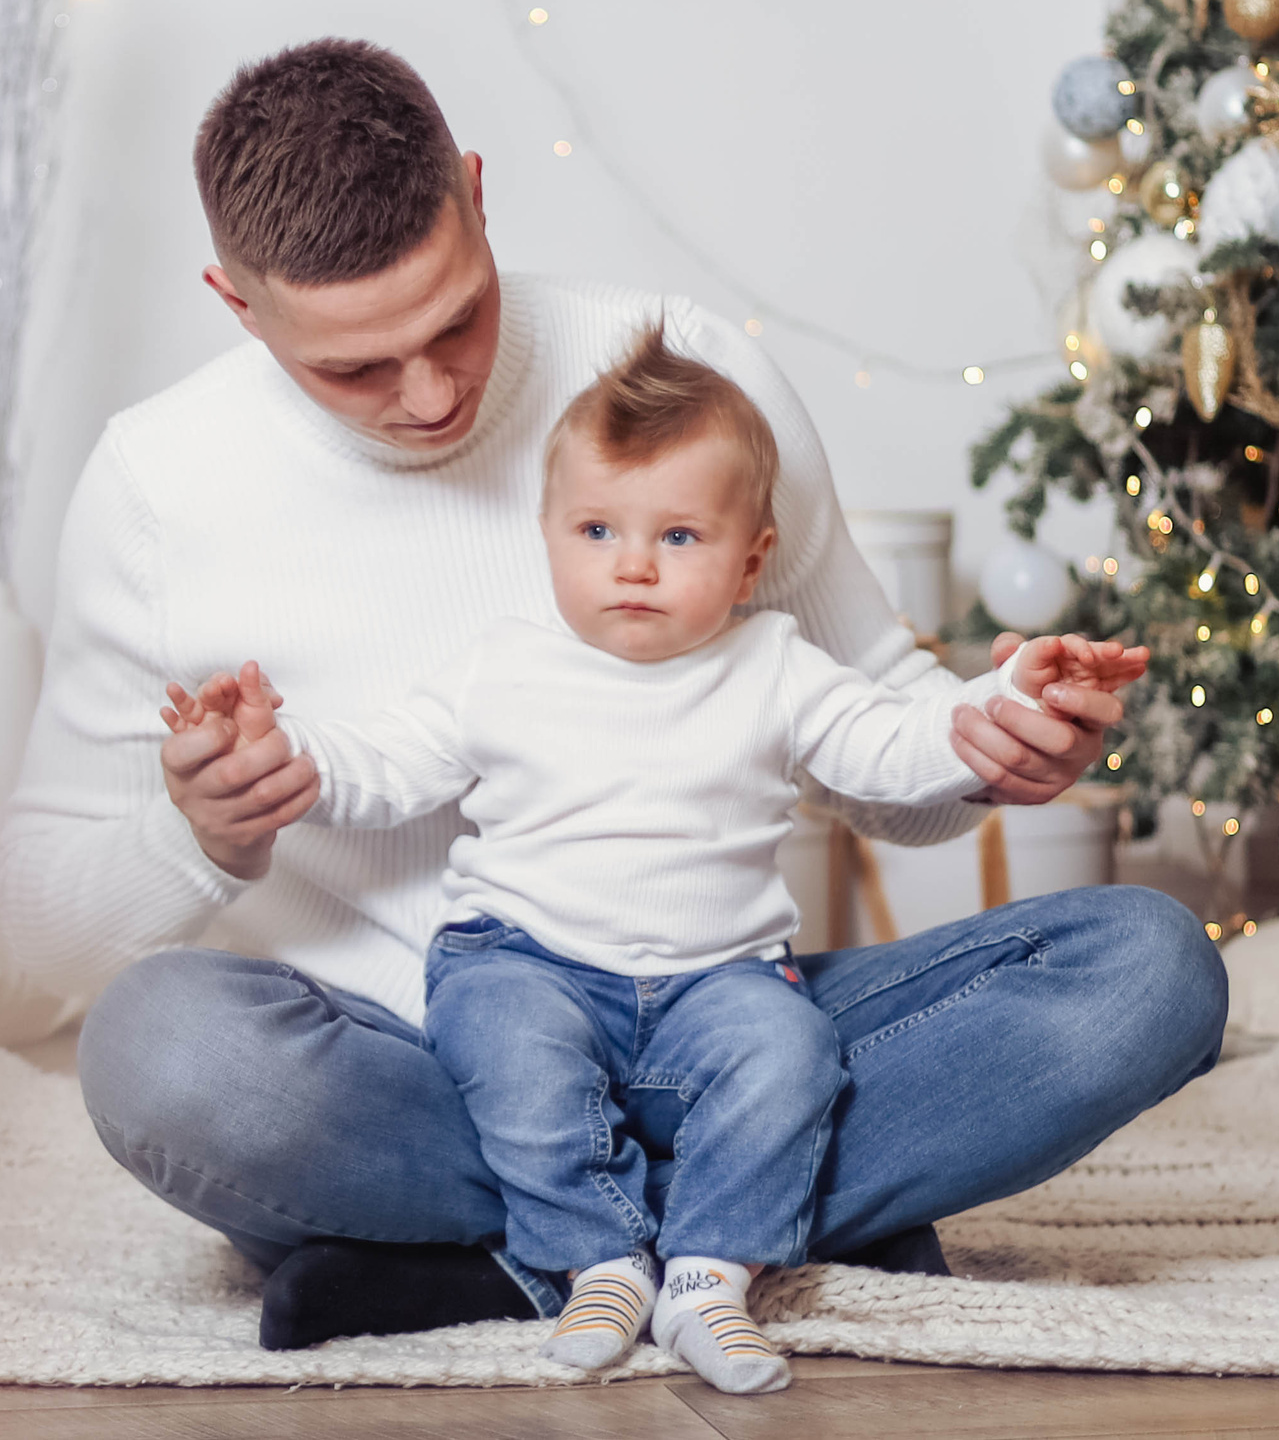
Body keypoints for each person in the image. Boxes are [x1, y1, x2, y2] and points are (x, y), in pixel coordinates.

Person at [0, 37, 1227, 1350]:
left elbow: (864, 721)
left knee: (1150, 970)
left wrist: (988, 745)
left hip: (721, 1012)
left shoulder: (677, 379)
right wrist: (203, 836)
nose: (431, 397)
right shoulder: (157, 487)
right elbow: (40, 939)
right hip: (422, 1060)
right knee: (162, 1051)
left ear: (474, 193)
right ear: (236, 305)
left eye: (453, 318)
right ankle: (732, 1224)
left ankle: (506, 1260)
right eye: (353, 368)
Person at [156, 327, 1149, 1392]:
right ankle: (598, 1258)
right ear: (546, 534)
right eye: (596, 528)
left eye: (678, 535)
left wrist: (1001, 701)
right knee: (508, 1048)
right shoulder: (505, 664)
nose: (631, 563)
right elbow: (383, 766)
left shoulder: (774, 661)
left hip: (718, 980)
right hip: (524, 958)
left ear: (750, 558)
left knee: (790, 1054)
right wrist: (278, 752)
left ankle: (709, 1276)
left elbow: (894, 741)